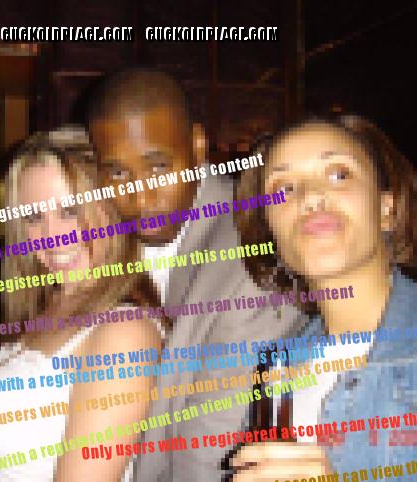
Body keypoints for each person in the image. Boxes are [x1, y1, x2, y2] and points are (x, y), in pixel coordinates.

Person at [231, 114, 417, 481]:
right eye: (284, 188)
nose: (310, 197)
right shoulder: (276, 372)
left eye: (339, 175)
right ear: (271, 229)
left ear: (387, 209)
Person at [86, 68, 306, 481]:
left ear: (198, 146)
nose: (140, 197)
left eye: (158, 168)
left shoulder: (251, 256)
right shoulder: (98, 237)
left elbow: (207, 455)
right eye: (117, 173)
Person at [0, 128, 163, 482]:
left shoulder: (124, 333)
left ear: (110, 210)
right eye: (33, 217)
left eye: (70, 210)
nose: (52, 236)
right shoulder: (46, 307)